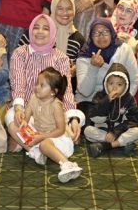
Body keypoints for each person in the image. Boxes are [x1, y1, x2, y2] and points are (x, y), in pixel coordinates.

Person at [7, 14, 86, 145]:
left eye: (45, 28)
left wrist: (73, 118)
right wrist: (19, 109)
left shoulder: (61, 58)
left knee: (71, 124)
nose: (40, 31)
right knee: (14, 121)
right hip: (26, 110)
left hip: (51, 112)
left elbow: (66, 91)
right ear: (30, 30)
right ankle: (40, 148)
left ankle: (37, 143)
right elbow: (18, 85)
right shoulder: (20, 53)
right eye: (36, 27)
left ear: (53, 32)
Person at [6, 67, 83, 182]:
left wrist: (42, 137)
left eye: (42, 85)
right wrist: (24, 122)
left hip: (57, 138)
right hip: (39, 134)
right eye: (37, 83)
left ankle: (67, 164)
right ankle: (36, 152)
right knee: (14, 126)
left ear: (53, 92)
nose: (37, 87)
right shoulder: (33, 98)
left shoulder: (56, 105)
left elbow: (61, 130)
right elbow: (26, 117)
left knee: (44, 144)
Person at [75, 18, 138, 108]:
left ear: (112, 33)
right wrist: (93, 67)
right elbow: (85, 92)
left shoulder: (124, 50)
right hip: (89, 103)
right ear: (90, 36)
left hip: (118, 103)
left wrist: (123, 103)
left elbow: (133, 81)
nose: (101, 36)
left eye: (105, 32)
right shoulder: (85, 55)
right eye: (96, 33)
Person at [83, 61, 138, 157]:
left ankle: (106, 146)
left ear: (126, 85)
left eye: (119, 85)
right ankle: (121, 144)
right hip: (103, 130)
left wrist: (115, 132)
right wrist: (107, 100)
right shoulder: (100, 96)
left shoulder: (129, 99)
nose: (114, 88)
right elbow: (93, 115)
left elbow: (134, 120)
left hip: (121, 130)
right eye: (111, 84)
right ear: (105, 83)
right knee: (88, 131)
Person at [18, 0, 85, 65]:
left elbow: (80, 65)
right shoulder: (36, 32)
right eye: (60, 8)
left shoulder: (78, 39)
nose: (65, 12)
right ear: (53, 9)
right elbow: (18, 58)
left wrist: (75, 69)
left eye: (69, 9)